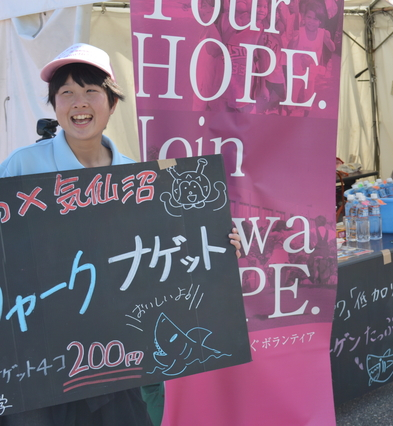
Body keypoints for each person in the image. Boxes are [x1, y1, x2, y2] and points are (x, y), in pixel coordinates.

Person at [0, 43, 241, 426]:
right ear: (55, 105)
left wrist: (216, 244)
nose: (79, 102)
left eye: (91, 90)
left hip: (117, 357)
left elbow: (166, 254)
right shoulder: (23, 167)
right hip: (43, 360)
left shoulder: (137, 176)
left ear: (112, 104)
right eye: (66, 92)